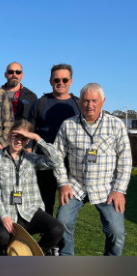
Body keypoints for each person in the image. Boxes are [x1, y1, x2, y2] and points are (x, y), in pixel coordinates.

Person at [54, 83, 132, 256]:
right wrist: (63, 184)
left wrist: (119, 190)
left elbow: (125, 160)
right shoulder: (68, 125)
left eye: (94, 101)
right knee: (62, 222)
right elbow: (57, 157)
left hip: (106, 186)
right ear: (80, 102)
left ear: (103, 101)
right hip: (76, 184)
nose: (90, 105)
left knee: (116, 232)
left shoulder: (115, 125)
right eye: (86, 100)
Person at [0, 119, 65, 256]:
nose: (19, 141)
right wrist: (4, 216)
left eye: (24, 138)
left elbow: (57, 161)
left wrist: (37, 138)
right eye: (16, 136)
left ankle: (35, 254)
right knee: (2, 243)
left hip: (30, 211)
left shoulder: (32, 159)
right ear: (9, 136)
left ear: (28, 140)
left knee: (57, 229)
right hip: (9, 215)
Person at [27, 63, 80, 216]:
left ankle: (62, 236)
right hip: (45, 161)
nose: (60, 83)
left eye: (64, 80)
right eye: (57, 80)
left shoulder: (78, 105)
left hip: (71, 163)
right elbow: (30, 131)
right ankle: (48, 237)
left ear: (70, 81)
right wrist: (29, 155)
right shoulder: (41, 103)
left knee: (67, 206)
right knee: (45, 203)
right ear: (50, 81)